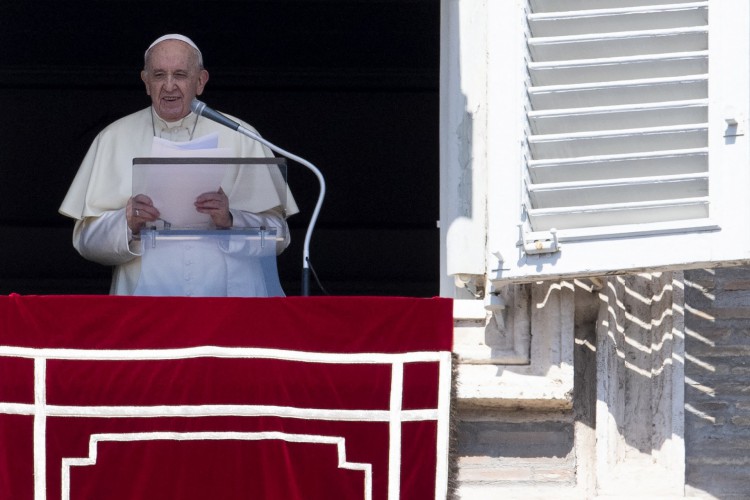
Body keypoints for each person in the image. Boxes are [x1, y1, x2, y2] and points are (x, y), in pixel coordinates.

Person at [59, 34, 298, 296]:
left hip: (230, 303)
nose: (169, 86)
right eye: (159, 75)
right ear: (146, 81)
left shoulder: (242, 135)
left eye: (180, 74)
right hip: (147, 305)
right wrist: (126, 222)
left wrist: (230, 220)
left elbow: (279, 237)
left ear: (200, 81)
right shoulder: (113, 138)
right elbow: (85, 242)